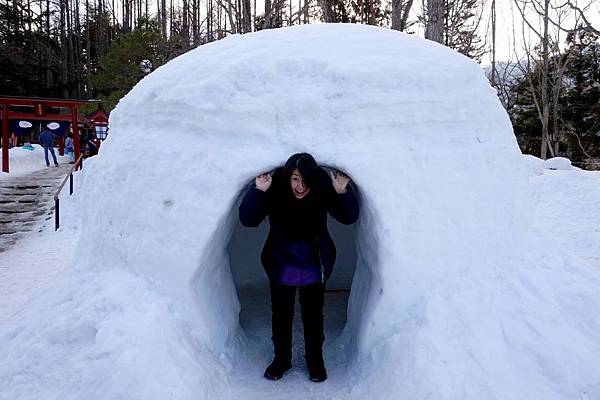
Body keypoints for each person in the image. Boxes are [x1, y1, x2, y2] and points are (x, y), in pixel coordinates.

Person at [239, 153, 359, 383]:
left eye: (305, 180)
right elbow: (248, 219)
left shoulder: (322, 190)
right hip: (282, 263)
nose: (300, 186)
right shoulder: (276, 192)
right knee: (281, 317)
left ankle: (316, 361)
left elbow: (349, 216)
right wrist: (258, 191)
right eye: (295, 179)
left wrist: (342, 191)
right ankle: (281, 360)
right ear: (288, 177)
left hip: (314, 265)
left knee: (313, 317)